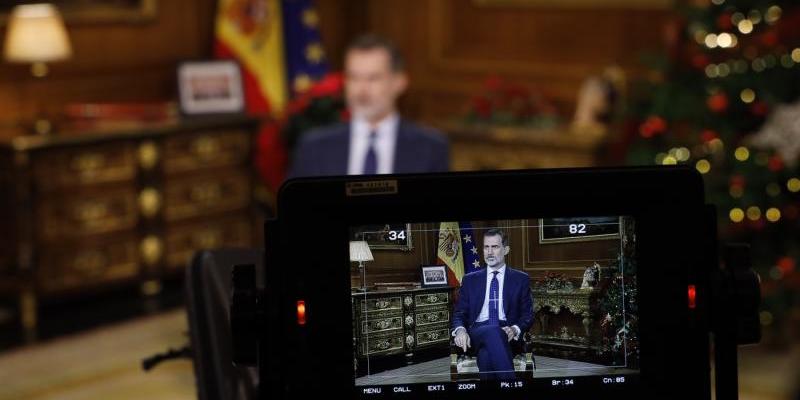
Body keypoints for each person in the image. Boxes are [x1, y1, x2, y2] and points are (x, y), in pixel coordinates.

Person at [288, 34, 449, 178]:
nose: (361, 90)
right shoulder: (314, 148)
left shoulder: (430, 148)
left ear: (399, 82)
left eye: (373, 78)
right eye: (354, 78)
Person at [451, 228, 534, 380]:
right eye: (486, 247)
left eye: (494, 247)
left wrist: (515, 329)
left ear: (506, 250)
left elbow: (527, 315)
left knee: (486, 355)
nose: (489, 252)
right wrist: (461, 330)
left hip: (508, 334)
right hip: (476, 333)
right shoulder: (470, 280)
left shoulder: (521, 279)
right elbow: (459, 313)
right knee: (494, 331)